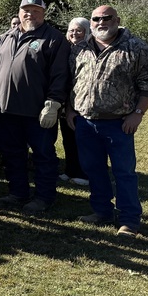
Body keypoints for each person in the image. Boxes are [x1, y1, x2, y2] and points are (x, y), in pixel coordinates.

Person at [67, 6, 148, 237]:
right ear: (90, 23)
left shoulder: (136, 47)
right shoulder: (80, 48)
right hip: (84, 122)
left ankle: (129, 220)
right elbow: (71, 80)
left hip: (119, 124)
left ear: (117, 20)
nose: (101, 22)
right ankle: (101, 211)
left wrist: (138, 113)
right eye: (96, 19)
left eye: (107, 18)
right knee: (93, 169)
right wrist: (70, 109)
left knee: (124, 173)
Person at [0, 0, 71, 213]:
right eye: (26, 10)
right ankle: (18, 192)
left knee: (43, 155)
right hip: (6, 110)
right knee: (13, 153)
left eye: (35, 10)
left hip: (38, 112)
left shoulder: (53, 39)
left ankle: (44, 197)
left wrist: (53, 103)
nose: (30, 14)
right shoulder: (5, 38)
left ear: (43, 13)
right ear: (19, 12)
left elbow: (60, 75)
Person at [59, 17, 91, 186]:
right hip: (65, 102)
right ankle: (70, 169)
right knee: (67, 137)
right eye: (71, 30)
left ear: (86, 32)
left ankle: (83, 173)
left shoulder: (89, 50)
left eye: (79, 30)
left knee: (81, 138)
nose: (74, 33)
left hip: (81, 102)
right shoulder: (67, 49)